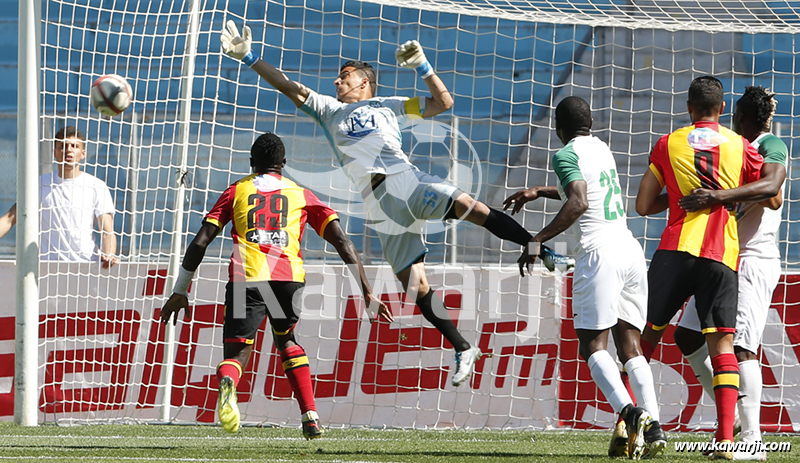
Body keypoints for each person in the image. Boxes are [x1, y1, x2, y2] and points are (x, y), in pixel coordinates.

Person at [219, 21, 536, 387]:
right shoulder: (328, 110)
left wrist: (422, 66)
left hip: (407, 181)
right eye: (337, 77)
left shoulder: (389, 105)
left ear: (364, 82)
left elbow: (443, 102)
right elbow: (289, 86)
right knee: (415, 287)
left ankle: (535, 245)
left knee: (474, 208)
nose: (337, 82)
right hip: (381, 207)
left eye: (345, 76)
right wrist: (250, 58)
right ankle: (463, 347)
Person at [160, 133, 391, 438]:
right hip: (288, 280)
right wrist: (367, 292)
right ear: (283, 164)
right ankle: (310, 416)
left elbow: (201, 242)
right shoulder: (301, 194)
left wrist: (180, 289)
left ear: (252, 163)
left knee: (237, 353)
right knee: (288, 341)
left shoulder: (236, 191)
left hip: (248, 279)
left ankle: (229, 380)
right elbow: (343, 242)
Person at [507, 96, 665, 459]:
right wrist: (539, 191)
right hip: (629, 249)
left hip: (599, 254)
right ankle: (654, 425)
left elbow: (578, 201)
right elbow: (586, 190)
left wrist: (536, 240)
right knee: (631, 347)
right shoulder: (601, 148)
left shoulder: (564, 155)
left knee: (592, 346)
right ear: (589, 124)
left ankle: (632, 414)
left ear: (557, 129)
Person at [635, 76, 768, 460]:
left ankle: (637, 424)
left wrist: (677, 195)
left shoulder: (669, 143)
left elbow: (643, 205)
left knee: (643, 338)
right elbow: (769, 193)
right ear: (723, 109)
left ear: (689, 108)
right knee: (723, 345)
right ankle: (726, 439)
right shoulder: (740, 145)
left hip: (675, 250)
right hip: (720, 254)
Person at [672, 86, 787, 461]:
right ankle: (734, 418)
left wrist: (718, 196)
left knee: (740, 349)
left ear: (745, 118)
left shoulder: (770, 146)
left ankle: (753, 440)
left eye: (735, 116)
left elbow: (773, 192)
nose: (731, 121)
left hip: (753, 259)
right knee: (688, 336)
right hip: (724, 258)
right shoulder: (734, 149)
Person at [0, 126, 118, 268]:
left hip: (86, 267)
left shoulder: (97, 186)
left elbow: (107, 230)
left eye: (74, 146)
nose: (68, 150)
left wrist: (109, 254)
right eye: (62, 146)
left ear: (83, 153)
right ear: (54, 152)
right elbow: (9, 219)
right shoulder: (39, 184)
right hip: (47, 269)